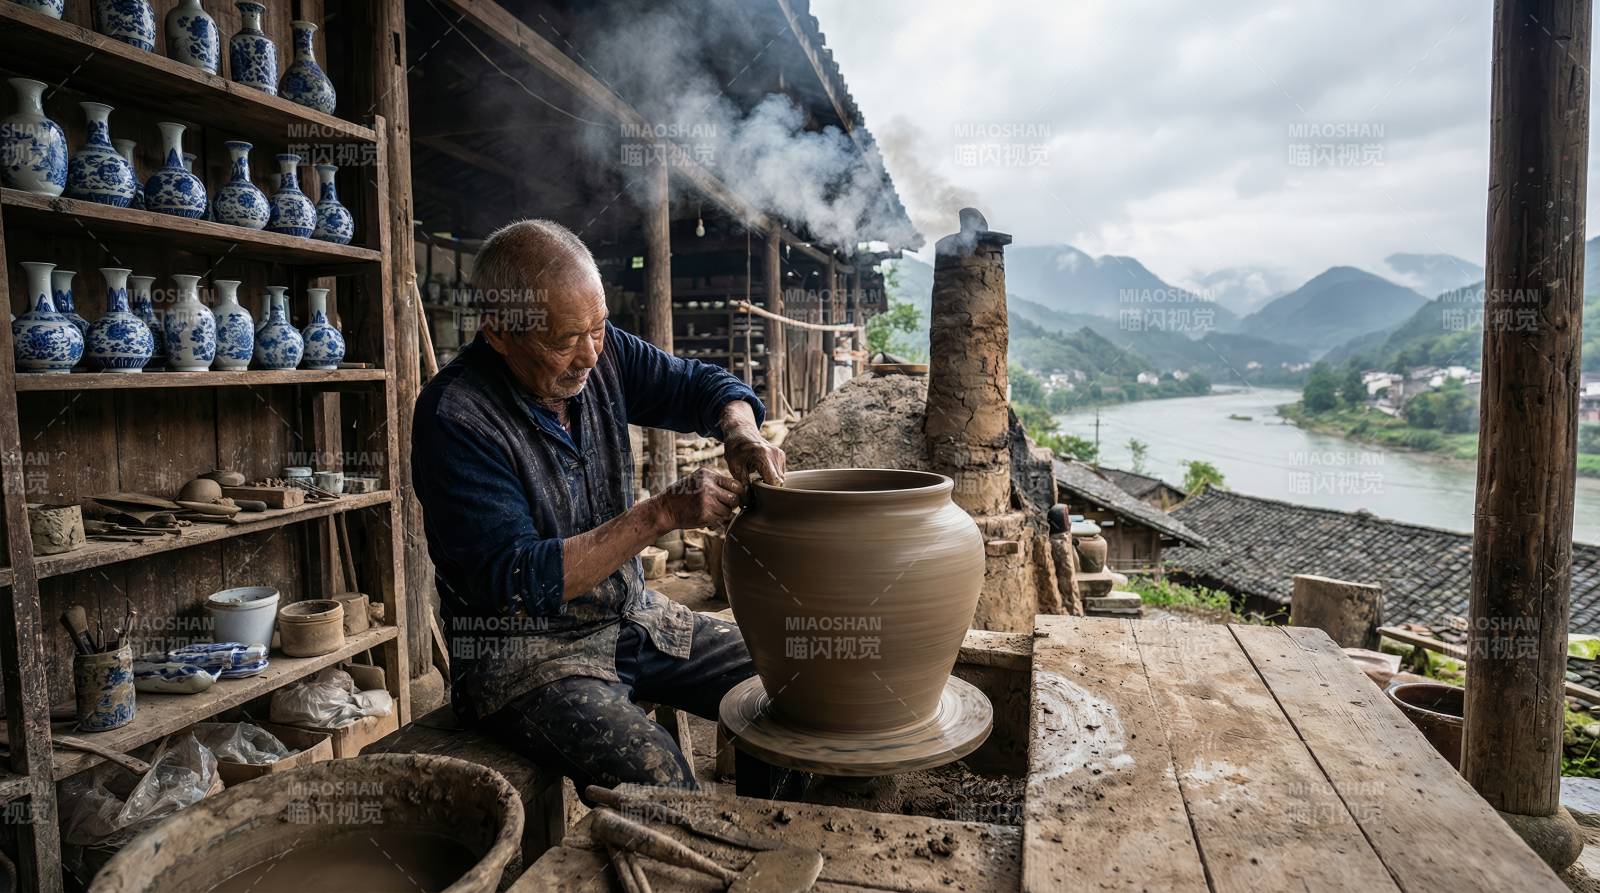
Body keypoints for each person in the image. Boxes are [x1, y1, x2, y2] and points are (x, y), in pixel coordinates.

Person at [411, 218, 786, 790]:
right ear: (498, 331)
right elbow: (516, 580)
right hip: (524, 655)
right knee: (659, 779)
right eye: (564, 340)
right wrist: (661, 514)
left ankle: (770, 837)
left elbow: (700, 384)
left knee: (786, 684)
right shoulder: (456, 418)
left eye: (599, 328)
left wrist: (741, 431)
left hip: (631, 615)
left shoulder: (601, 355)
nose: (589, 355)